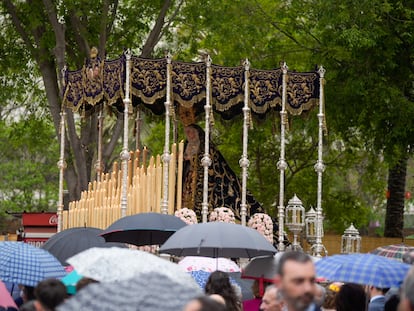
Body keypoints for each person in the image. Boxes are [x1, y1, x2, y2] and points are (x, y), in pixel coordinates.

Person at [181, 123, 264, 222]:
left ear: (197, 133)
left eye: (191, 132)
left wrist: (195, 158)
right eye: (187, 132)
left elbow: (214, 164)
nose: (189, 135)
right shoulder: (185, 146)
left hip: (204, 182)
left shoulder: (206, 147)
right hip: (189, 180)